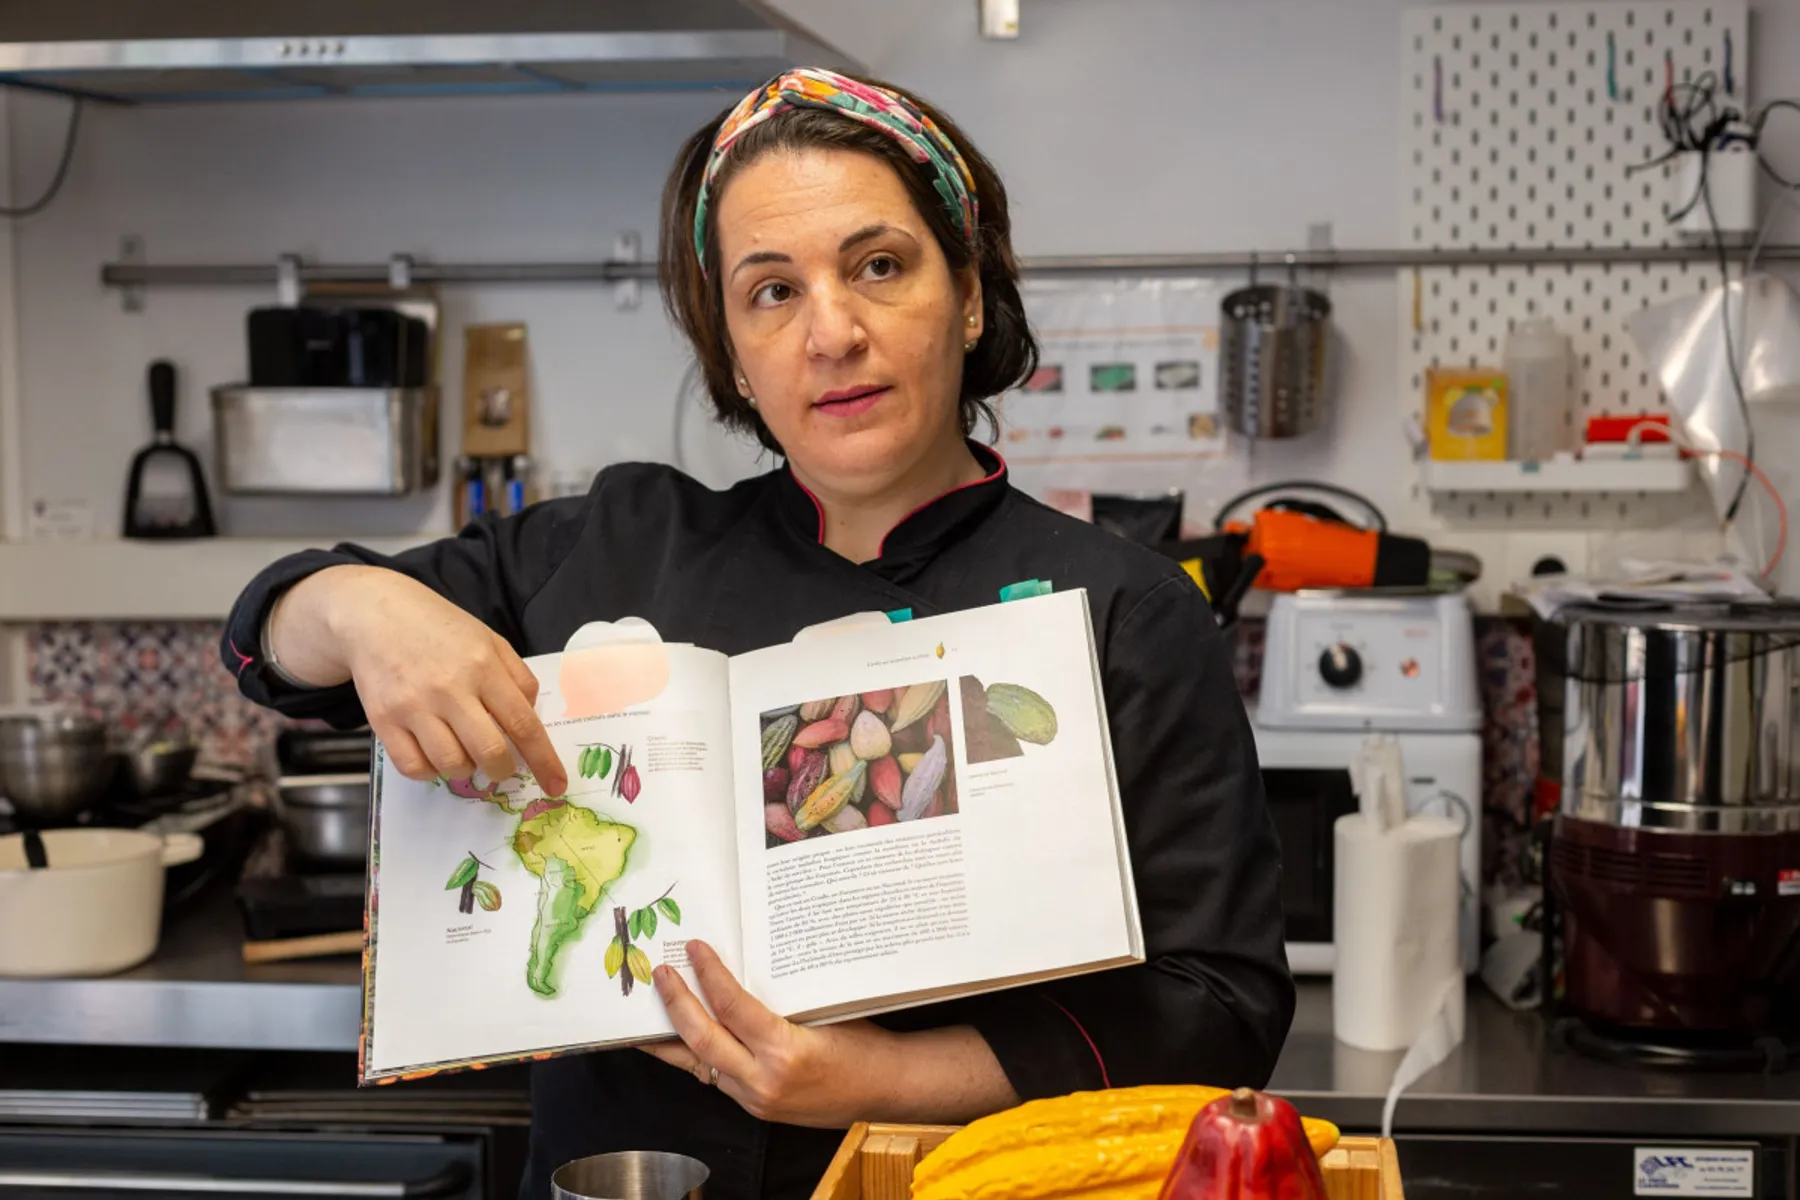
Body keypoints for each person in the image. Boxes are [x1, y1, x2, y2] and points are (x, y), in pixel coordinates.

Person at [222, 68, 1293, 1200]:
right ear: (732, 349)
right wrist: (354, 605)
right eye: (771, 291)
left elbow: (1222, 1016)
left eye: (880, 266)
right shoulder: (610, 549)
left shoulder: (1126, 610)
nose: (833, 331)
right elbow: (266, 650)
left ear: (970, 295)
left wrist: (878, 1076)